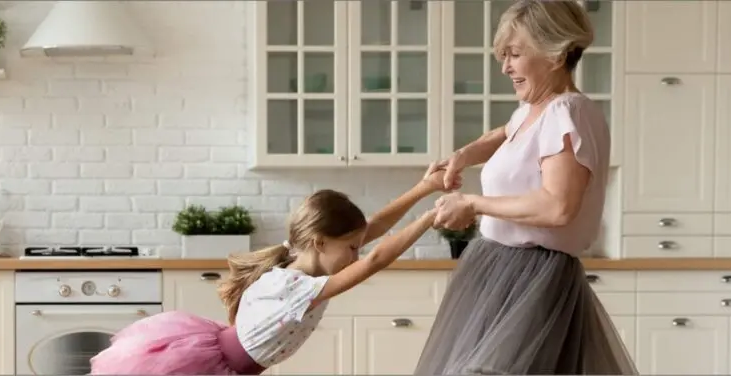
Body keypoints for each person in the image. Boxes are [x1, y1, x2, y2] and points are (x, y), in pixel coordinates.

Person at [413, 0, 638, 375]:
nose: (505, 67)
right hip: (501, 271)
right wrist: (464, 155)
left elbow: (557, 207)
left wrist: (472, 203)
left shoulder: (567, 113)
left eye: (515, 54)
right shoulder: (537, 110)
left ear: (556, 54)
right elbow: (505, 132)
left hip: (529, 277)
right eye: (504, 55)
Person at [90, 166, 454, 375]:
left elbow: (370, 227)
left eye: (357, 247)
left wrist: (423, 187)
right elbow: (376, 261)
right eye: (351, 248)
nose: (357, 256)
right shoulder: (298, 286)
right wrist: (428, 218)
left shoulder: (295, 263)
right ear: (320, 242)